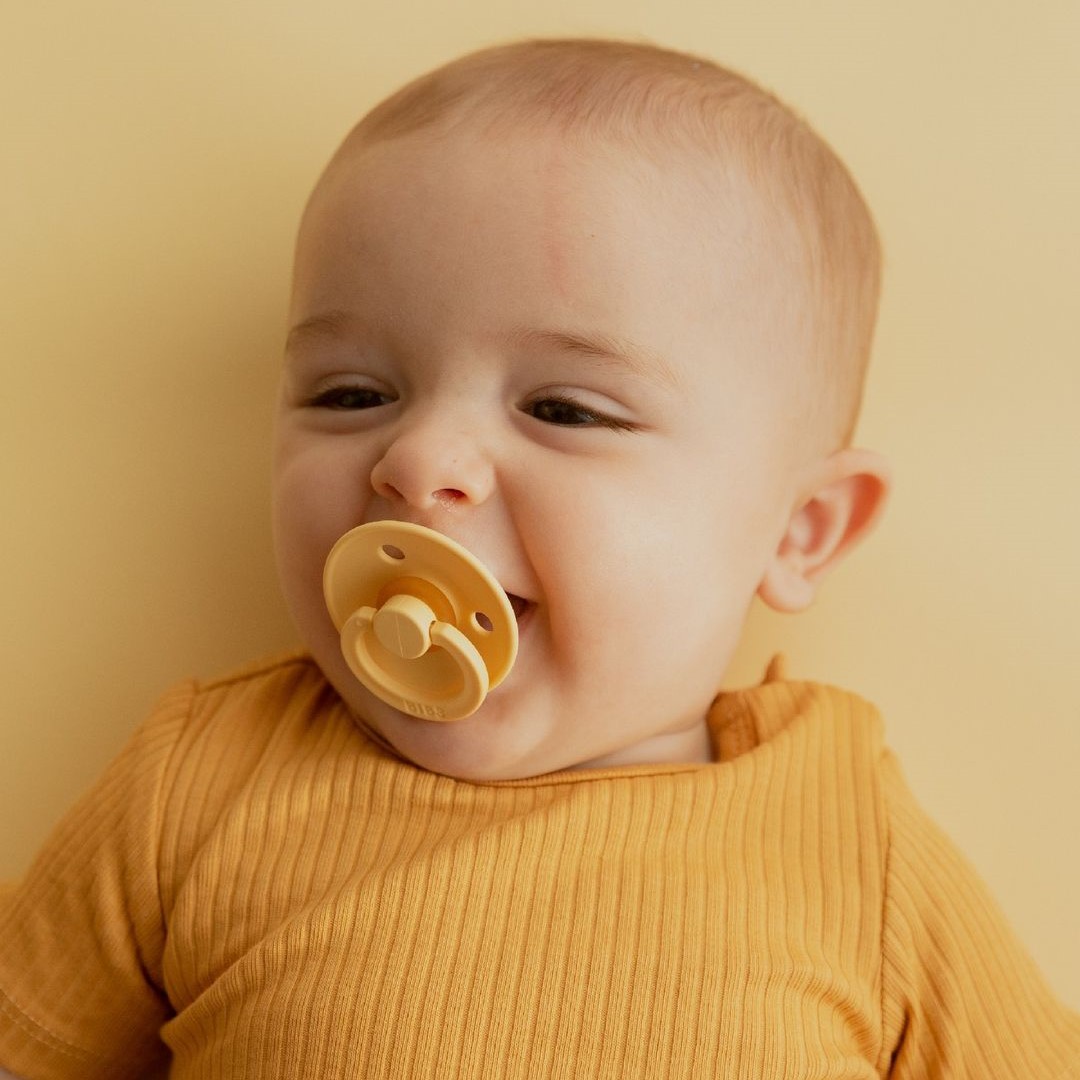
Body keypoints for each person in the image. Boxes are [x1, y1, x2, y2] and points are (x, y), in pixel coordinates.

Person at [1, 37, 1077, 1080]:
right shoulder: (199, 783)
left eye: (565, 408)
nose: (417, 461)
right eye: (351, 394)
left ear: (798, 531)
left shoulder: (851, 841)